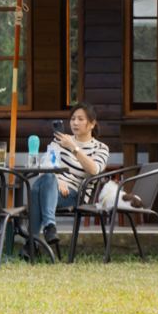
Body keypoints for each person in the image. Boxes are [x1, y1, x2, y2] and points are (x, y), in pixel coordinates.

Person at [26, 104, 109, 252]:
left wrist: (74, 148)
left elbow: (94, 169)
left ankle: (31, 244)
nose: (75, 123)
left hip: (75, 194)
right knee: (45, 181)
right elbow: (45, 166)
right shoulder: (60, 140)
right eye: (73, 119)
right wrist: (58, 180)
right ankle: (49, 228)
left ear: (92, 124)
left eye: (80, 119)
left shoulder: (100, 148)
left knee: (35, 191)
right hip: (54, 187)